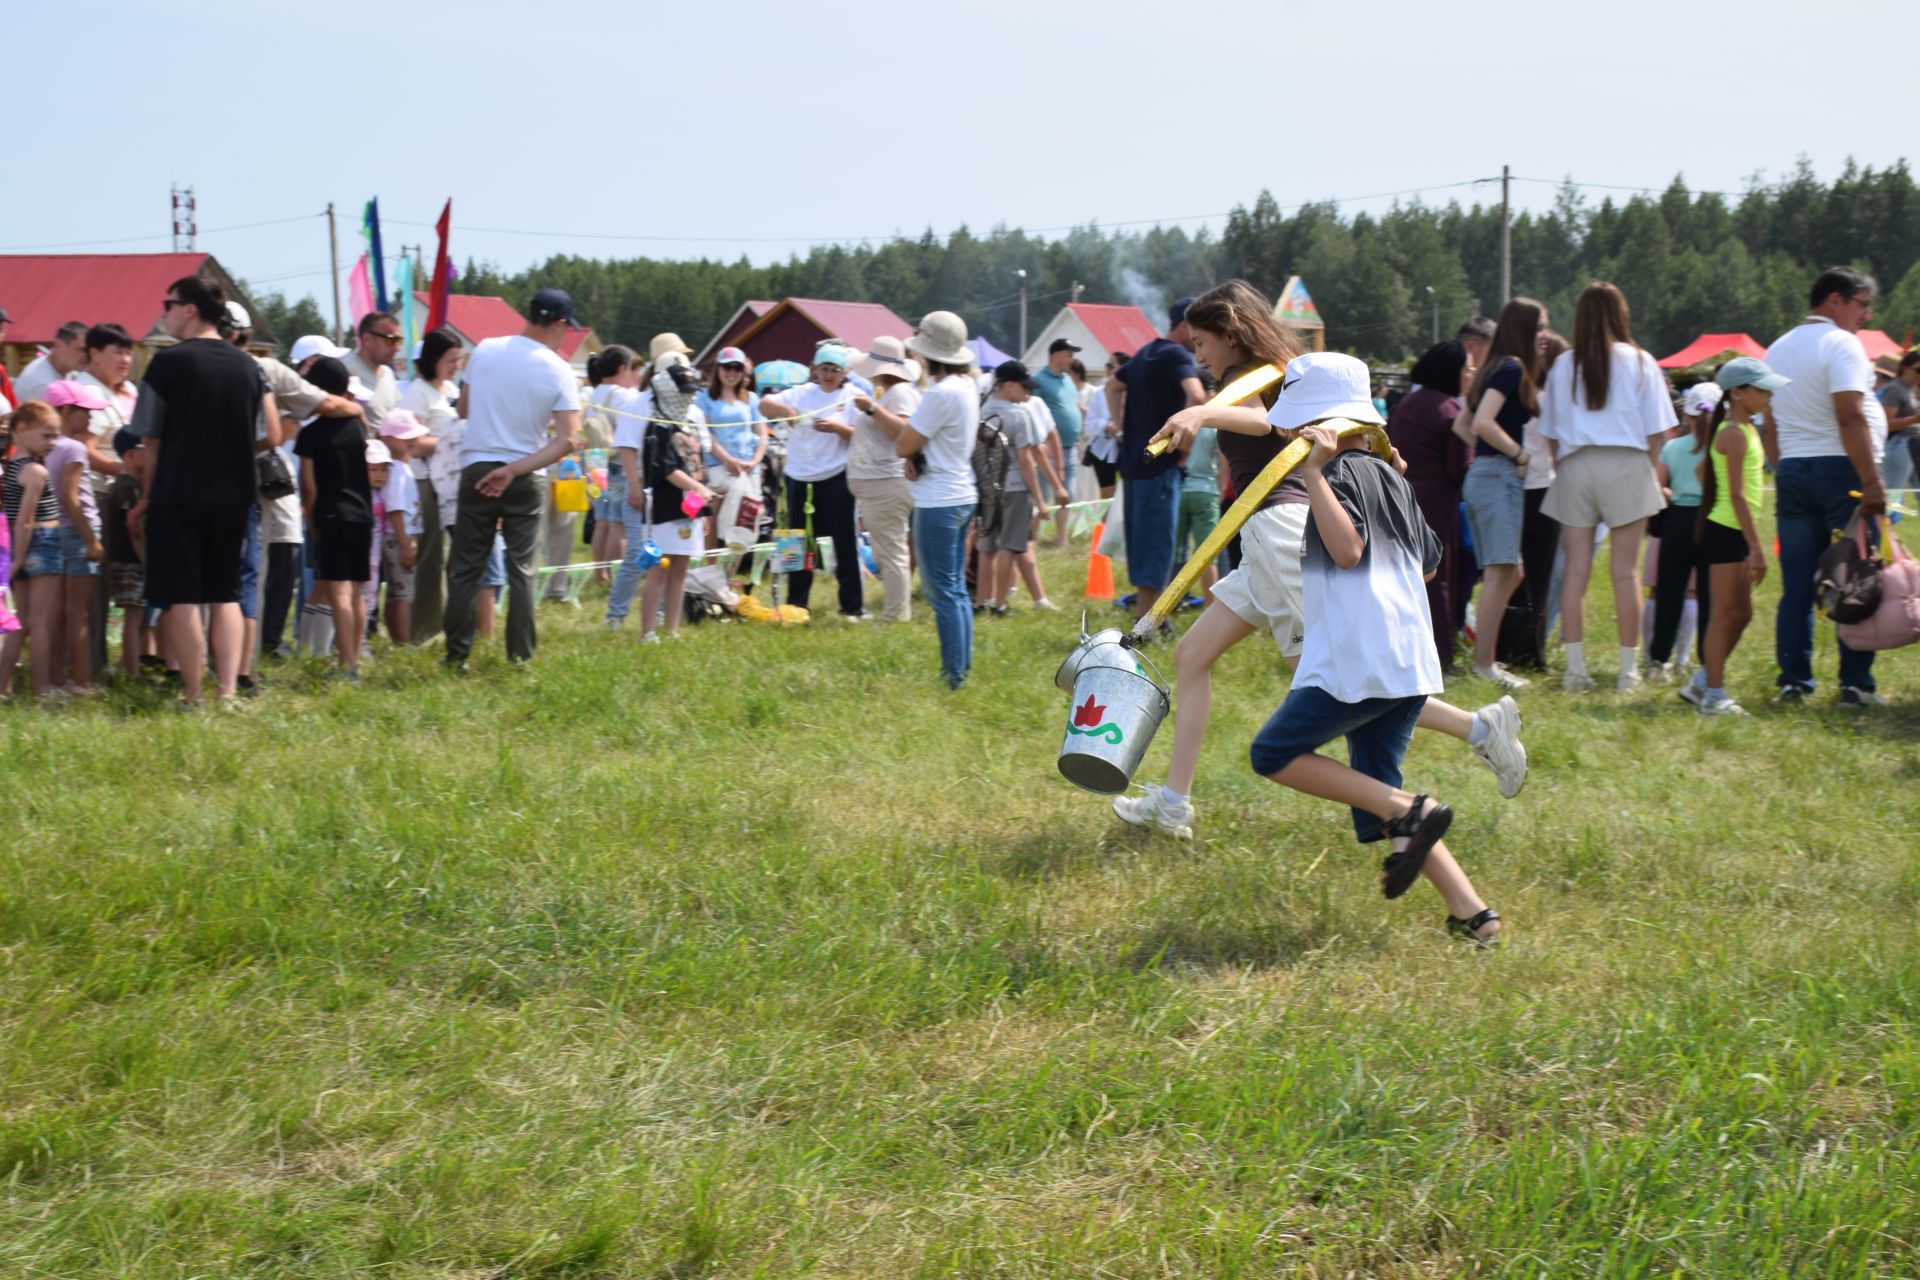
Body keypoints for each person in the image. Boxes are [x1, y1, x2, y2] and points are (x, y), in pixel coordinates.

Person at [1118, 290, 1527, 842]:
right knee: (1192, 656)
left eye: (1201, 343)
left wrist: (1201, 411)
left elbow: (1266, 425)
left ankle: (1478, 730)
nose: (1199, 357)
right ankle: (1174, 803)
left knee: (1335, 680)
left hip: (1284, 533)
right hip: (1265, 536)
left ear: (1231, 332)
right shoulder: (1251, 373)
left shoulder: (1264, 374)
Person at [1246, 357, 1502, 945]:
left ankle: (1414, 809)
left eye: (1296, 422)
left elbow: (1346, 550)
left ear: (1319, 422)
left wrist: (1312, 477)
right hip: (1410, 664)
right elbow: (1431, 559)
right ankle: (1473, 914)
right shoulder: (1391, 474)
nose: (1288, 433)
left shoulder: (1333, 476)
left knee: (1272, 753)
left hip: (1356, 664)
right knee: (1382, 794)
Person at [126, 275, 279, 705]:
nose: (165, 313)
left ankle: (194, 694)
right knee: (226, 594)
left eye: (168, 304)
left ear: (190, 308)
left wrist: (155, 482)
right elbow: (263, 433)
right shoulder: (249, 366)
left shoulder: (166, 364)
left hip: (179, 492)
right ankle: (228, 691)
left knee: (182, 596)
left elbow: (150, 438)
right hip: (235, 495)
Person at [1536, 281, 1675, 693]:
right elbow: (1658, 431)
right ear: (1621, 314)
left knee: (1575, 571)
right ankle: (1628, 671)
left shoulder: (1564, 365)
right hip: (1627, 463)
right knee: (1625, 572)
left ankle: (1575, 670)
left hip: (1576, 465)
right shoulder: (1641, 361)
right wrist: (1652, 473)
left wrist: (1565, 467)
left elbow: (1551, 433)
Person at [1764, 266, 1887, 705]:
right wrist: (1871, 481)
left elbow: (1770, 425)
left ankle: (1793, 681)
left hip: (1794, 470)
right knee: (1855, 579)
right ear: (1835, 300)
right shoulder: (1842, 344)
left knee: (1797, 586)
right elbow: (1850, 415)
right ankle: (1855, 684)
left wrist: (1785, 470)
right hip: (1843, 472)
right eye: (1862, 304)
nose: (1866, 315)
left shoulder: (1777, 349)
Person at [443, 288, 583, 668]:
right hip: (525, 474)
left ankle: (456, 655)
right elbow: (569, 439)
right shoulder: (559, 370)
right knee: (522, 569)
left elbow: (465, 409)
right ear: (557, 323)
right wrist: (513, 469)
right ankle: (520, 657)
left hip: (477, 466)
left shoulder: (485, 349)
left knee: (465, 567)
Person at [1672, 356, 1790, 717]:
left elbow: (1702, 467)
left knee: (1742, 613)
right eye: (1762, 389)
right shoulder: (1734, 434)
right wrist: (1756, 547)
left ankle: (1703, 682)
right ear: (1737, 393)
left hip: (1733, 531)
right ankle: (1713, 697)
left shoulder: (1742, 430)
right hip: (1727, 533)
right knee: (1724, 616)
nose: (1769, 394)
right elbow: (1737, 494)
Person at [1455, 297, 1547, 690]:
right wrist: (1517, 453)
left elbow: (1463, 425)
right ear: (1525, 329)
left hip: (1487, 475)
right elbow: (1481, 422)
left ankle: (1483, 654)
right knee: (1501, 573)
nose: (1545, 335)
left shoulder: (1497, 366)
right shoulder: (1511, 367)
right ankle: (1484, 665)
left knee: (1510, 572)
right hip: (1498, 477)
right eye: (1541, 327)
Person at [1108, 299, 1205, 625]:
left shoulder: (1144, 353)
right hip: (1160, 467)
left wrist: (1120, 428)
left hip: (1134, 465)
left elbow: (1112, 386)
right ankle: (1149, 624)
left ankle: (1150, 620)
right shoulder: (1176, 355)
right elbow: (1198, 395)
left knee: (1143, 544)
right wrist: (1185, 448)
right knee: (1158, 544)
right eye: (1199, 331)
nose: (1201, 340)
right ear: (1184, 326)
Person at [898, 311, 980, 689]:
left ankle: (954, 676)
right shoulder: (967, 386)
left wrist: (914, 455)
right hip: (962, 492)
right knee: (956, 589)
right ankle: (960, 669)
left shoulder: (940, 392)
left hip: (938, 501)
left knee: (942, 592)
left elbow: (904, 444)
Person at [758, 347, 866, 620]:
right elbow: (763, 405)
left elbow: (862, 437)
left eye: (835, 370)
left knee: (844, 543)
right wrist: (786, 411)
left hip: (836, 477)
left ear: (845, 373)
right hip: (798, 477)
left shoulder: (851, 397)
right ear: (815, 370)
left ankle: (852, 606)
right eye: (825, 369)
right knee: (795, 543)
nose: (829, 375)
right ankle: (796, 604)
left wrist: (837, 428)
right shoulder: (800, 392)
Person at [1386, 340, 1471, 672]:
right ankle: (1440, 656)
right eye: (1466, 368)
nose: (1468, 375)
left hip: (1399, 495)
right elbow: (1458, 468)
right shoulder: (1452, 411)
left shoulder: (1405, 404)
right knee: (1439, 579)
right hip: (1436, 503)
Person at [295, 356, 377, 678]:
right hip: (363, 514)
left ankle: (347, 665)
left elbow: (309, 487)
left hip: (331, 515)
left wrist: (313, 523)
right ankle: (353, 658)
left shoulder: (310, 435)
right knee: (357, 592)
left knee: (339, 593)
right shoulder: (358, 427)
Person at [634, 377, 715, 643]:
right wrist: (698, 489)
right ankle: (647, 631)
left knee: (681, 567)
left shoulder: (688, 423)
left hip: (691, 510)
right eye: (683, 393)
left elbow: (695, 463)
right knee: (661, 567)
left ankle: (672, 629)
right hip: (668, 509)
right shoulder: (658, 429)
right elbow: (666, 470)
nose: (689, 399)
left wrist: (702, 507)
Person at [1505, 329, 1568, 670]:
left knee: (1516, 573)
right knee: (1539, 575)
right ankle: (1530, 650)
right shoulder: (1547, 398)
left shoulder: (1522, 391)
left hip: (1520, 484)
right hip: (1542, 487)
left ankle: (1510, 646)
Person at [1644, 382, 1716, 678]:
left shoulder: (1672, 447)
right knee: (1707, 594)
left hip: (1677, 520)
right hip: (1711, 520)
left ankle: (1658, 659)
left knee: (1669, 593)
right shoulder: (1720, 448)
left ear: (1687, 417)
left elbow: (1658, 486)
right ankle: (1705, 659)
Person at [848, 338, 922, 623]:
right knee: (887, 551)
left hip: (886, 482)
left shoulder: (900, 393)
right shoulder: (891, 392)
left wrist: (871, 409)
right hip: (878, 483)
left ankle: (895, 616)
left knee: (891, 552)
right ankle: (895, 611)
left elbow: (905, 432)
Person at [44, 381, 111, 690]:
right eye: (84, 412)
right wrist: (92, 540)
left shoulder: (43, 448)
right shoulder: (74, 448)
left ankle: (55, 677)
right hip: (79, 531)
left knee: (58, 613)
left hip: (53, 533)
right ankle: (82, 682)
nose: (89, 419)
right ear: (67, 412)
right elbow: (71, 500)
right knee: (78, 614)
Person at [978, 361, 1057, 614]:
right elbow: (1026, 461)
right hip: (1014, 487)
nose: (1029, 393)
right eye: (1025, 387)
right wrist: (1040, 500)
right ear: (1009, 386)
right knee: (1009, 546)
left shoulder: (981, 410)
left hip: (988, 487)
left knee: (987, 547)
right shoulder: (1019, 415)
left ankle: (981, 601)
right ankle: (999, 605)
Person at [0, 402, 67, 696]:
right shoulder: (36, 471)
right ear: (22, 430)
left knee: (20, 621)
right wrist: (15, 562)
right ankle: (42, 689)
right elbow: (25, 520)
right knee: (41, 622)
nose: (52, 443)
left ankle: (3, 687)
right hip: (42, 542)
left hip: (22, 545)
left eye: (55, 436)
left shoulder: (11, 467)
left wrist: (15, 557)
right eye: (47, 435)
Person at [397, 328, 459, 639]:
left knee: (443, 556)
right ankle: (422, 631)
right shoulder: (417, 393)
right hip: (425, 481)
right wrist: (451, 441)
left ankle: (439, 626)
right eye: (450, 360)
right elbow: (414, 442)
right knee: (430, 557)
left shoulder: (446, 390)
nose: (455, 366)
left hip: (446, 483)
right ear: (433, 359)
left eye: (458, 360)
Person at [376, 410, 428, 643]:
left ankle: (397, 639)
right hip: (398, 537)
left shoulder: (399, 467)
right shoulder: (396, 470)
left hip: (397, 536)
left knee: (396, 593)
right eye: (404, 437)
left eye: (412, 436)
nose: (411, 441)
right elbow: (394, 509)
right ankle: (404, 643)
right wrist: (405, 543)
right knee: (404, 594)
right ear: (386, 439)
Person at [103, 430, 151, 679]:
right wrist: (145, 559)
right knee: (133, 619)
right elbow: (134, 531)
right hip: (129, 562)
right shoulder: (126, 487)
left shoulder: (129, 485)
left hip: (128, 561)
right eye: (146, 449)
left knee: (141, 618)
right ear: (131, 455)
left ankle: (127, 665)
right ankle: (132, 674)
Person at [1033, 338, 1084, 546]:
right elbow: (1032, 412)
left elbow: (1070, 406)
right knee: (1041, 495)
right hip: (1046, 449)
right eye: (1069, 354)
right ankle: (1031, 540)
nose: (1072, 359)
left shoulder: (1068, 380)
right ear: (1056, 355)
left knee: (1067, 494)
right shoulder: (1038, 380)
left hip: (1069, 448)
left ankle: (1061, 539)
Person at [343, 312, 403, 430]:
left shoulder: (388, 373)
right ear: (367, 339)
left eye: (399, 340)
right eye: (391, 340)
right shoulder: (346, 370)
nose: (397, 348)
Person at [1875, 349, 1920, 499]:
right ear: (1904, 367)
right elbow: (1886, 424)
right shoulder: (1895, 389)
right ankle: (1882, 522)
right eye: (1918, 370)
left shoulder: (1911, 389)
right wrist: (1914, 419)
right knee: (1891, 496)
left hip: (1912, 444)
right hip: (1899, 446)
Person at [1082, 351, 1123, 500]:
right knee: (1107, 494)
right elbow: (1089, 423)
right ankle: (1106, 523)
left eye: (1111, 366)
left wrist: (1120, 427)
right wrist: (1106, 427)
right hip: (1102, 450)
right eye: (1107, 366)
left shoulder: (1132, 390)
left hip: (1125, 447)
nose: (1108, 369)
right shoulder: (1099, 393)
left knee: (1126, 491)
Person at [14, 322, 87, 404]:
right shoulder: (42, 386)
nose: (87, 355)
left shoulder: (63, 369)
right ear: (59, 345)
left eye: (88, 350)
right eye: (82, 349)